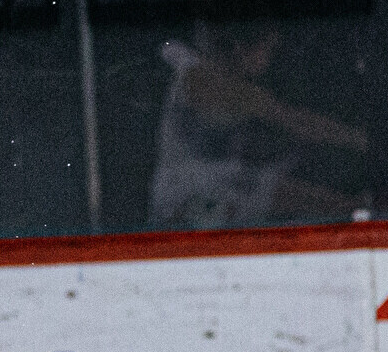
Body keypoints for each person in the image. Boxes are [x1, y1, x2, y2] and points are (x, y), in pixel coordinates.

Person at [145, 26, 367, 230]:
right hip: (183, 193)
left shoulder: (216, 74)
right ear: (242, 48)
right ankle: (362, 211)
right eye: (268, 49)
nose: (269, 58)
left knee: (286, 190)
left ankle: (358, 208)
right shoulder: (206, 79)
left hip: (213, 183)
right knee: (286, 193)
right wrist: (362, 139)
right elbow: (297, 121)